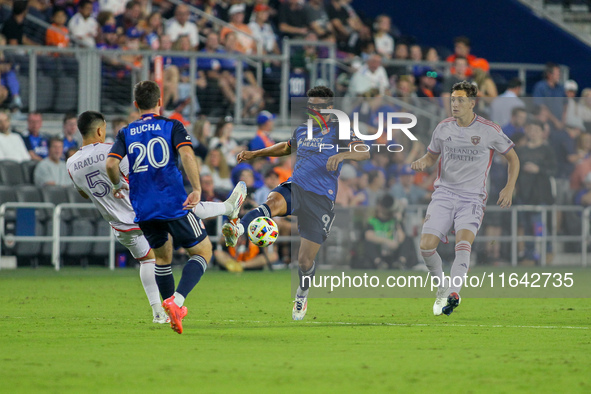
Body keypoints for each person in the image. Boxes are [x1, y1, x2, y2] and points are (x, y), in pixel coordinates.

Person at [69, 111, 246, 324]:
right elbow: (136, 172)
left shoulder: (72, 163)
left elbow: (82, 192)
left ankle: (157, 313)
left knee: (148, 260)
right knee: (184, 211)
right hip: (144, 210)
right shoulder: (111, 151)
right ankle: (228, 207)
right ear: (100, 129)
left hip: (120, 224)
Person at [106, 81, 245, 334]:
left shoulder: (126, 132)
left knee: (162, 258)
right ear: (160, 102)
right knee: (203, 251)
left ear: (136, 105)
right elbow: (187, 155)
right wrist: (197, 188)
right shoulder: (172, 126)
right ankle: (177, 302)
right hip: (172, 203)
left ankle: (171, 313)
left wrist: (117, 185)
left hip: (144, 209)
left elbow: (111, 165)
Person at [221, 86, 370, 320]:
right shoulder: (303, 130)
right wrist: (256, 154)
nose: (313, 109)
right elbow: (285, 148)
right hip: (296, 187)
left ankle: (302, 293)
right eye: (310, 105)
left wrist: (342, 155)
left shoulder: (340, 129)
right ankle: (238, 228)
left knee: (304, 261)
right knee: (272, 202)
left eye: (318, 106)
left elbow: (364, 151)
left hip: (320, 199)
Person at [411, 80, 520, 316]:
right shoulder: (443, 128)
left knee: (464, 242)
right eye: (452, 99)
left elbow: (513, 158)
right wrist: (423, 161)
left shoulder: (489, 129)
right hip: (444, 194)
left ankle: (454, 292)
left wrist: (509, 187)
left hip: (472, 198)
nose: (455, 104)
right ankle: (442, 287)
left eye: (460, 100)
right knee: (426, 247)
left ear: (472, 103)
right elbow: (431, 157)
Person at [532, 63, 566, 131]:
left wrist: (563, 121)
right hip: (546, 123)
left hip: (560, 124)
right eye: (557, 74)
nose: (559, 76)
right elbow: (541, 107)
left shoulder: (561, 88)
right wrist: (555, 121)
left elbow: (565, 104)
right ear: (550, 75)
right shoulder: (540, 87)